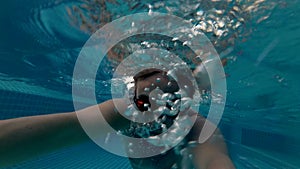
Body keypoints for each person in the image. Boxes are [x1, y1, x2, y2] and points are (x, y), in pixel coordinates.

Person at [0, 68, 235, 169]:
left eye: (167, 104)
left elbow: (214, 161)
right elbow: (65, 129)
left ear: (179, 104)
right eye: (144, 103)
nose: (155, 114)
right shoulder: (126, 110)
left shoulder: (199, 128)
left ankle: (196, 80)